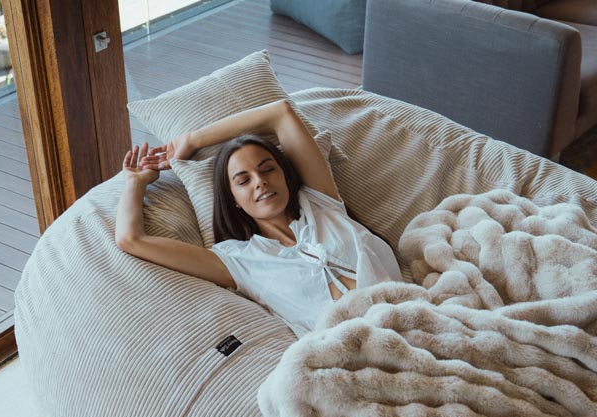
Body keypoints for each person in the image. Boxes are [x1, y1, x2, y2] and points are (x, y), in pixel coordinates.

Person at [116, 99, 403, 336]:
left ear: (285, 176)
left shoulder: (319, 201)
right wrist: (135, 183)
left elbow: (281, 113)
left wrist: (191, 140)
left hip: (411, 317)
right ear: (234, 201)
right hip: (356, 355)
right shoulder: (240, 261)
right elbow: (132, 240)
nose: (260, 182)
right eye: (243, 180)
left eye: (267, 170)